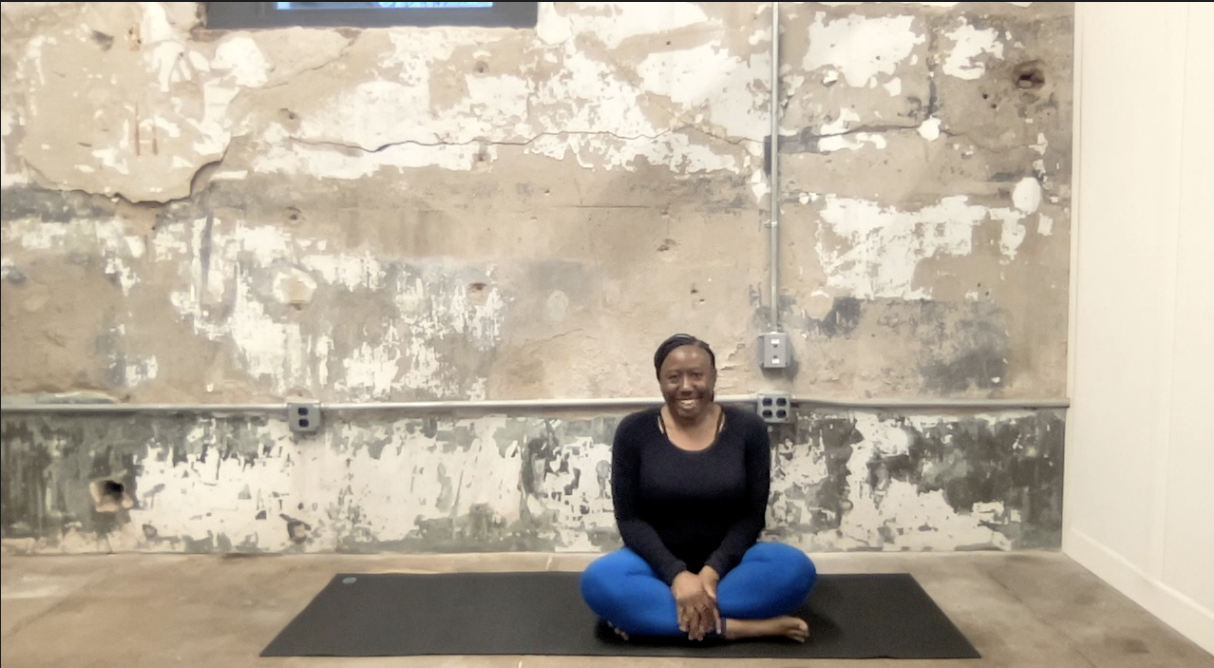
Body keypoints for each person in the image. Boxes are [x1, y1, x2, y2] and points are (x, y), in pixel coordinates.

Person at [580, 333, 817, 642]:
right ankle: (738, 628)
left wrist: (710, 573)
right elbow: (630, 519)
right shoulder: (634, 431)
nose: (686, 386)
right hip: (656, 565)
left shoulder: (749, 429)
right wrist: (676, 575)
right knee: (599, 582)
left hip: (727, 569)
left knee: (796, 569)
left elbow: (751, 517)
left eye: (696, 375)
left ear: (714, 377)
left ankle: (653, 621)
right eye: (674, 377)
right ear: (660, 381)